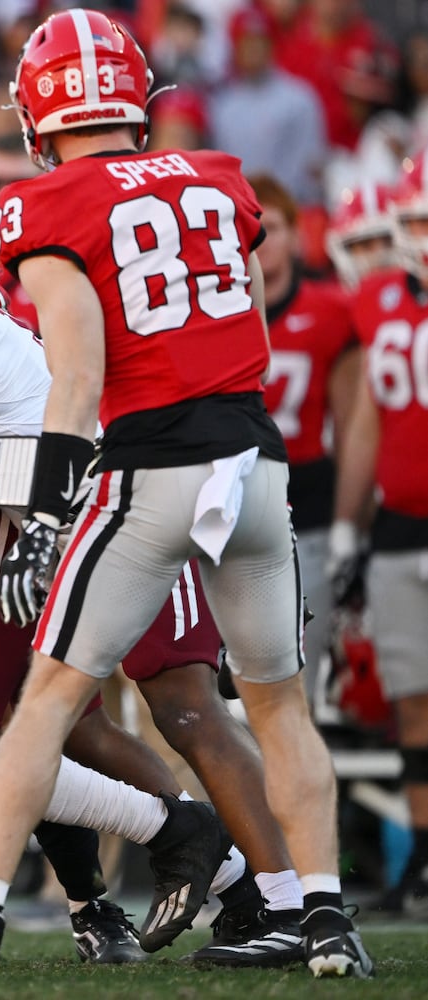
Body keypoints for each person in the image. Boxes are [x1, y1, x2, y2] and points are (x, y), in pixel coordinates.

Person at [0, 10, 367, 979]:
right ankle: (322, 920)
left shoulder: (43, 203)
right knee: (278, 707)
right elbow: (252, 332)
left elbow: (73, 378)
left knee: (46, 699)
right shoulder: (220, 178)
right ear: (133, 101)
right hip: (256, 460)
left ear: (38, 109)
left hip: (153, 465)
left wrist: (39, 503)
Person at [333, 152, 428, 918]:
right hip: (397, 526)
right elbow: (364, 422)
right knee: (411, 702)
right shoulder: (378, 302)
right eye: (415, 221)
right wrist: (344, 528)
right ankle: (421, 862)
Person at [252, 174, 360, 705]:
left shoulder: (329, 311)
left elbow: (355, 424)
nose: (260, 241)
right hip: (229, 514)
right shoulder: (212, 312)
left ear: (296, 234)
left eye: (270, 227)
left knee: (292, 691)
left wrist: (349, 523)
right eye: (247, 229)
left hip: (307, 512)